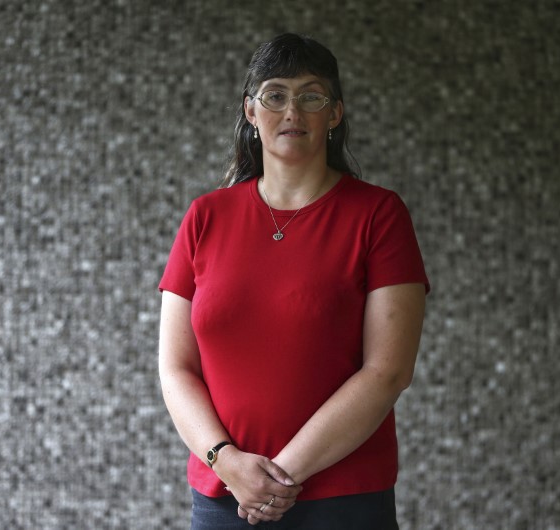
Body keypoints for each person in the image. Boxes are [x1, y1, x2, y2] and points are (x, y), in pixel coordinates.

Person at [158, 33, 429, 529]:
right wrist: (228, 462)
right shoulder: (204, 217)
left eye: (311, 96)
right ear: (250, 111)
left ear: (335, 114)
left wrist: (276, 479)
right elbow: (176, 368)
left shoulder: (378, 215)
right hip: (225, 498)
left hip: (343, 501)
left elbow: (388, 371)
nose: (292, 111)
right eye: (275, 95)